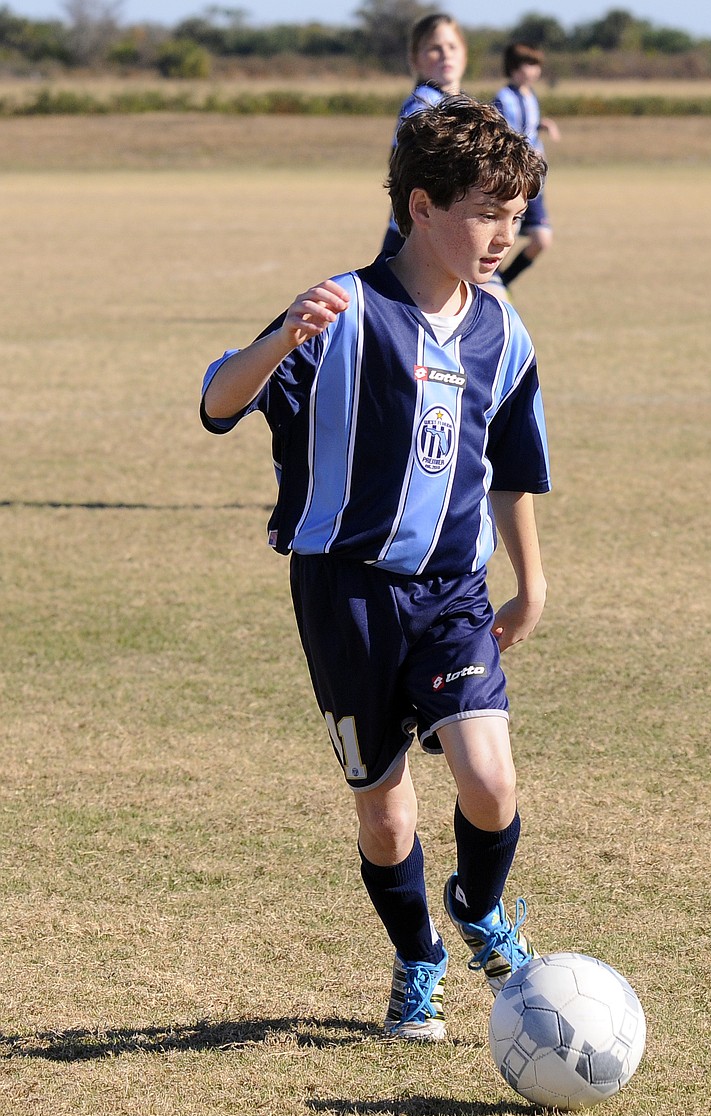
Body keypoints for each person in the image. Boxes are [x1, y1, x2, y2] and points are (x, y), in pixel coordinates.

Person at [200, 98, 550, 1043]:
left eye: (516, 215)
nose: (503, 233)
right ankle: (419, 959)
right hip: (345, 592)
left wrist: (534, 580)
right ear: (422, 206)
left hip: (452, 592)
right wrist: (280, 339)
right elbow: (217, 400)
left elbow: (512, 467)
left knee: (490, 783)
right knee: (386, 814)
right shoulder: (345, 310)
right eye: (487, 212)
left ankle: (478, 906)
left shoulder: (504, 333)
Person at [380, 13, 467, 258]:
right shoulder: (423, 104)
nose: (445, 54)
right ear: (415, 59)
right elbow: (413, 170)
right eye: (434, 48)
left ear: (464, 53)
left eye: (452, 46)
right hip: (416, 238)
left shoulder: (460, 104)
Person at [492, 43, 561, 291]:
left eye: (535, 65)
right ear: (513, 68)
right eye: (527, 65)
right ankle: (490, 284)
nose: (532, 71)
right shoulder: (503, 98)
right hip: (513, 180)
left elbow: (527, 126)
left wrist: (544, 125)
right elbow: (498, 133)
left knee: (542, 240)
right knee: (503, 236)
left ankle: (502, 283)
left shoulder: (530, 96)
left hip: (535, 180)